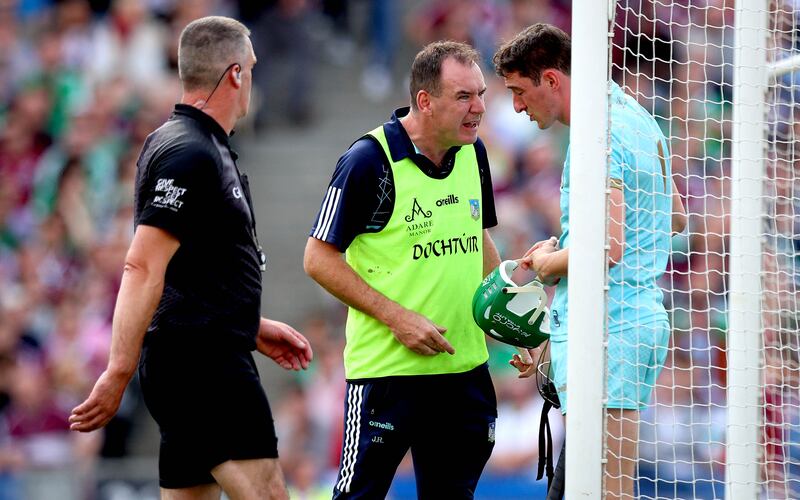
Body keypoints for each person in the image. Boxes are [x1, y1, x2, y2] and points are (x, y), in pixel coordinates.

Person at [68, 16, 313, 500]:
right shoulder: (189, 151)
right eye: (252, 68)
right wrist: (119, 370)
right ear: (236, 75)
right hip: (204, 366)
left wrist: (248, 323)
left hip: (197, 354)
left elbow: (192, 267)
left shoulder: (191, 144)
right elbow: (142, 265)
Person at [492, 23, 687, 499]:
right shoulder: (636, 117)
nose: (517, 106)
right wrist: (568, 246)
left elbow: (607, 249)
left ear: (552, 81)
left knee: (609, 490)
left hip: (614, 333)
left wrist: (547, 262)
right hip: (621, 325)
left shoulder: (596, 134)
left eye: (520, 91)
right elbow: (675, 216)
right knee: (578, 487)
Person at [303, 41, 501, 499]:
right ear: (425, 101)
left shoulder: (474, 153)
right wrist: (398, 317)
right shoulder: (368, 161)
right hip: (387, 377)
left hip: (463, 372)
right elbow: (317, 258)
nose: (479, 108)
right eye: (464, 97)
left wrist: (507, 315)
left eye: (482, 94)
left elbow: (478, 238)